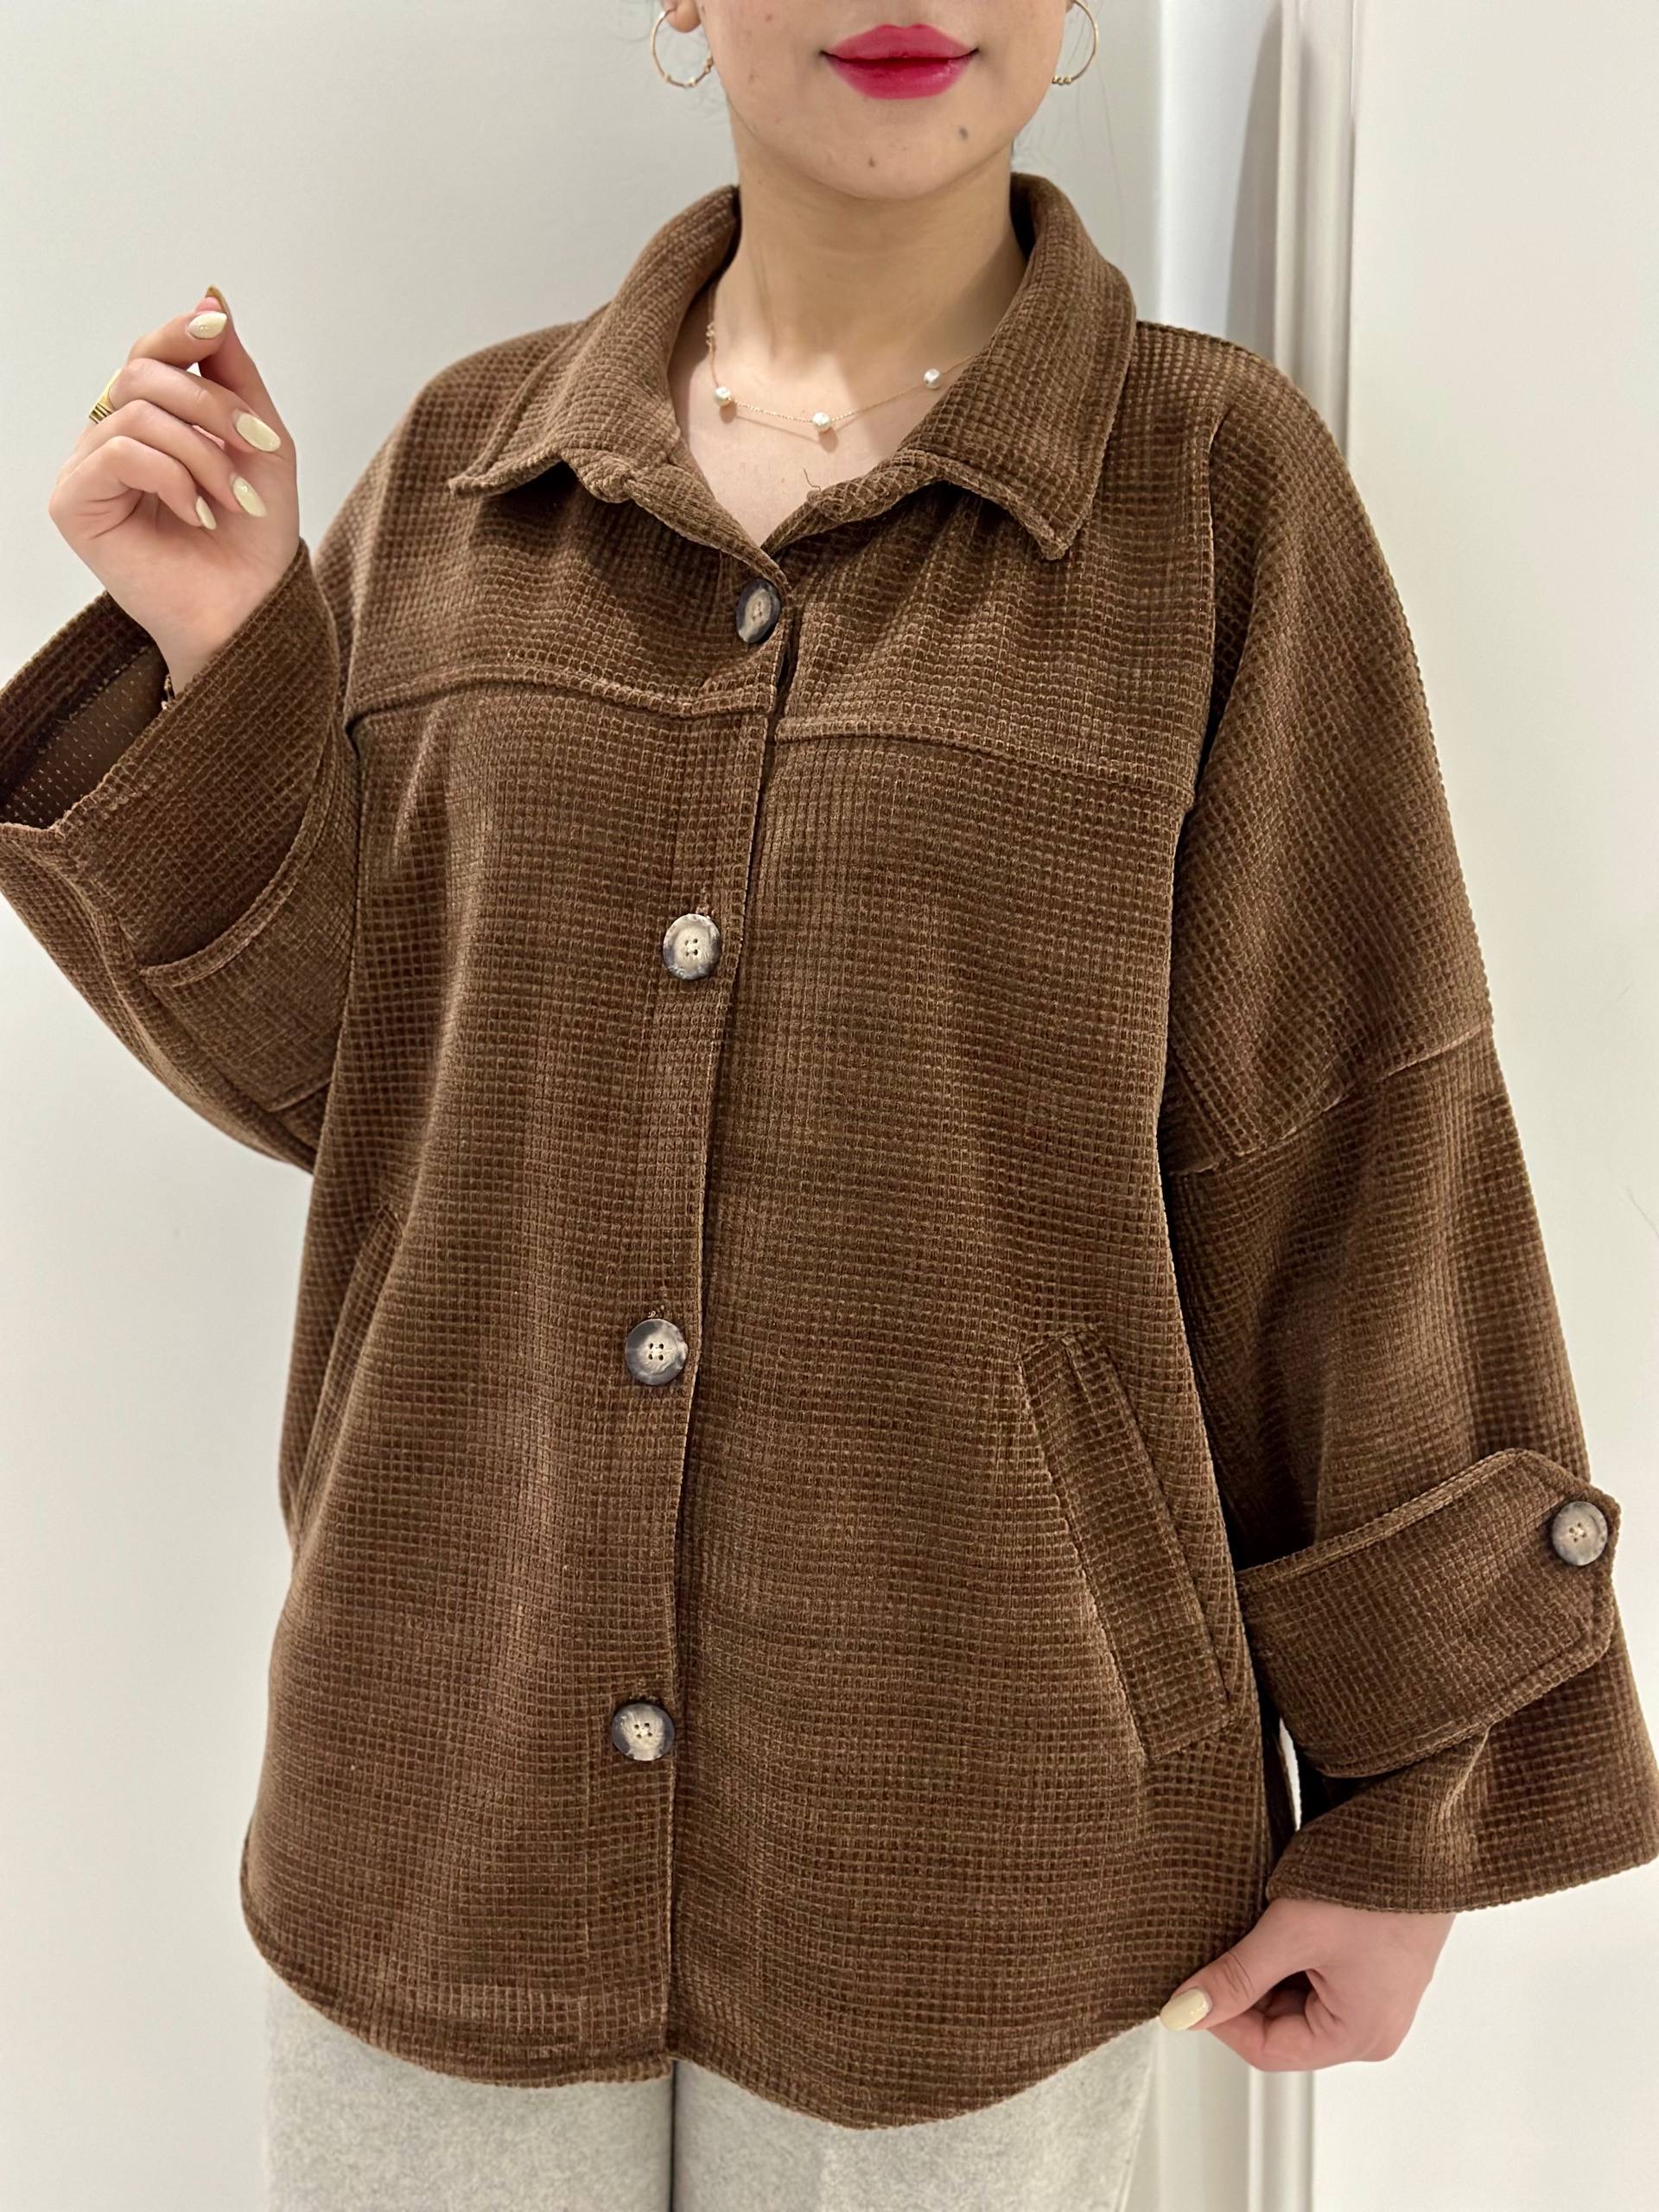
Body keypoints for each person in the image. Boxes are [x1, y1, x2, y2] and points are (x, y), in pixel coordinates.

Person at [3, 4, 1656, 2208]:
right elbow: (359, 1094)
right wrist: (227, 646)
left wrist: (1412, 1791)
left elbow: (1354, 1142)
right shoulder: (473, 476)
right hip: (443, 1775)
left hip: (980, 1826)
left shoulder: (1210, 491)